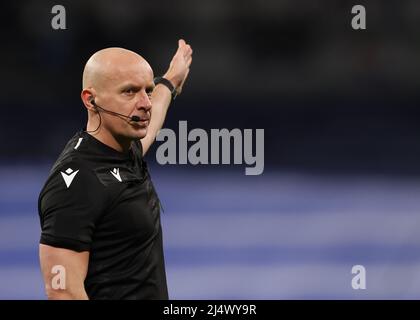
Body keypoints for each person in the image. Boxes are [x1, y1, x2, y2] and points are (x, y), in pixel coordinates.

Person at [38, 39, 193, 299]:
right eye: (129, 92)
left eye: (148, 90)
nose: (145, 103)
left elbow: (152, 122)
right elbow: (62, 291)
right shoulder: (76, 182)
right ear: (91, 100)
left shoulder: (122, 148)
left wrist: (169, 82)